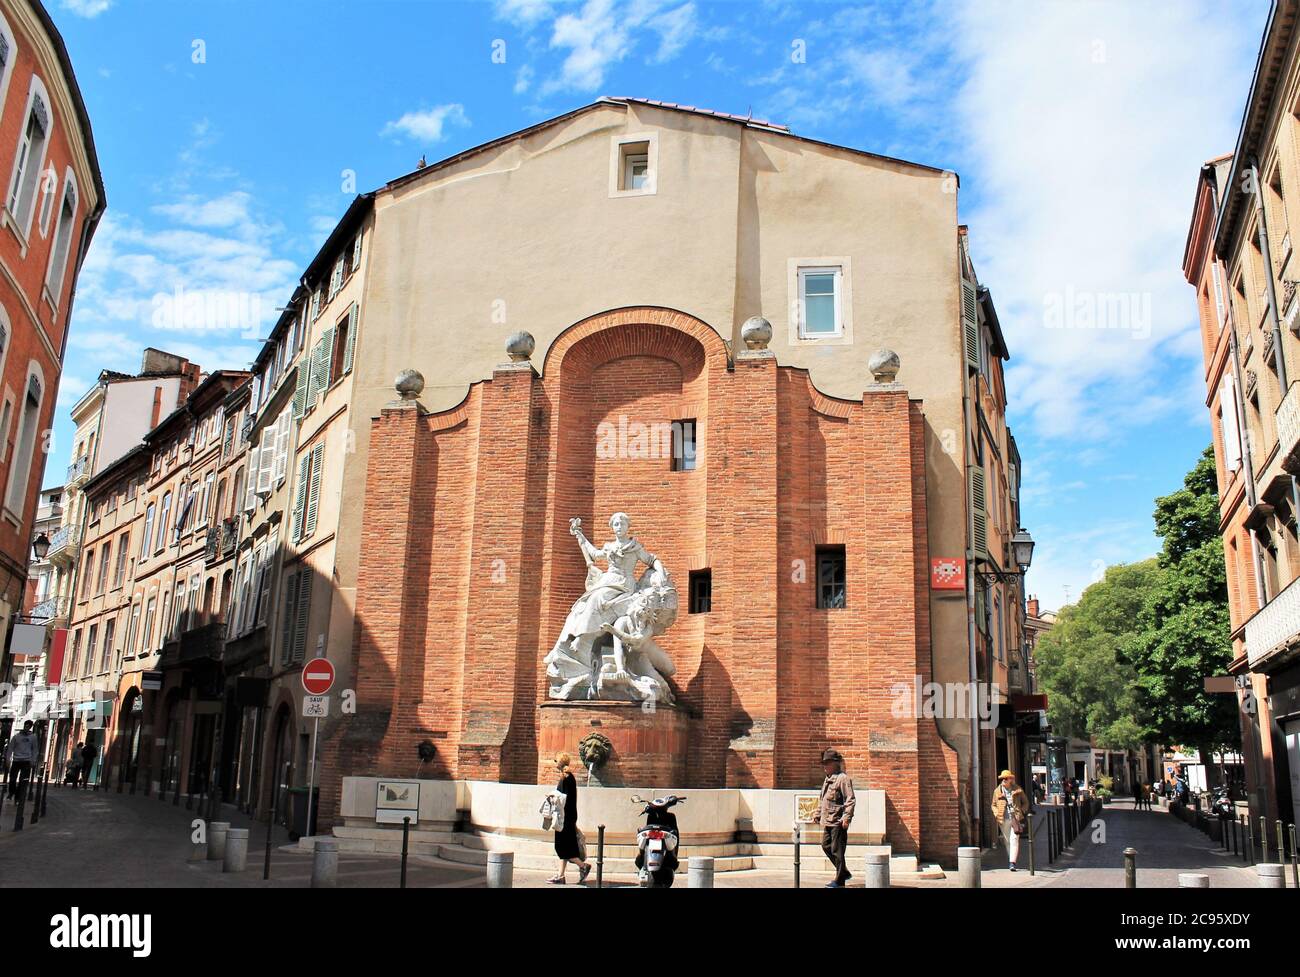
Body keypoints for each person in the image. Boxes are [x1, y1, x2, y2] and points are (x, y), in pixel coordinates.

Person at [813, 748, 856, 888]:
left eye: (827, 763)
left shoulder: (842, 778)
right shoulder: (827, 779)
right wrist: (817, 814)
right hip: (828, 820)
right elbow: (823, 799)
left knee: (837, 851)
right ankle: (843, 872)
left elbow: (850, 799)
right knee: (826, 846)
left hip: (837, 821)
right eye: (824, 763)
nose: (825, 766)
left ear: (835, 764)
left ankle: (840, 880)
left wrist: (846, 818)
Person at [547, 753, 591, 885]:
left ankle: (583, 866)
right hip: (569, 817)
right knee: (565, 846)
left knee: (562, 847)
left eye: (556, 762)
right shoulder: (568, 777)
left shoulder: (566, 778)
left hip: (564, 818)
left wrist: (552, 796)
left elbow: (562, 800)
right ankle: (561, 876)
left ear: (560, 763)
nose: (555, 764)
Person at [991, 770, 1029, 872]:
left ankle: (1012, 863)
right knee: (1007, 841)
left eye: (1006, 778)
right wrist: (996, 814)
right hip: (1003, 819)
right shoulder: (997, 791)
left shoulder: (1018, 790)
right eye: (1002, 779)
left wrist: (1021, 811)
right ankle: (1011, 860)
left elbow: (1025, 803)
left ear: (1010, 779)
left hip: (1015, 819)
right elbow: (993, 804)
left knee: (1014, 839)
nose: (1003, 780)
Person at [4, 721, 38, 799]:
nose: (27, 728)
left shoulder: (33, 737)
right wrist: (8, 759)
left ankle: (17, 797)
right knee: (12, 779)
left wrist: (33, 760)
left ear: (30, 727)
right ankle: (12, 792)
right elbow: (10, 748)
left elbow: (35, 750)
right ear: (24, 726)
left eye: (28, 726)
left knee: (22, 781)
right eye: (26, 726)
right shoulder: (16, 736)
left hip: (26, 761)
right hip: (16, 760)